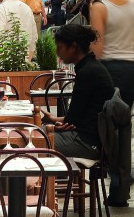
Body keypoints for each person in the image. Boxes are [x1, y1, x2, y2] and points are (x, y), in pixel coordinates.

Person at [41, 24, 116, 160]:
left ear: (74, 47)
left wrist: (55, 123)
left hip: (87, 142)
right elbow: (75, 117)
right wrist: (54, 120)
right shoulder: (91, 67)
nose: (57, 52)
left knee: (32, 141)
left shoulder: (87, 72)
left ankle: (46, 180)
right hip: (91, 137)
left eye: (60, 47)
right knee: (37, 133)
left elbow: (72, 119)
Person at [89, 0, 134, 108]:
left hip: (108, 68)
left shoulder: (99, 7)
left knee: (105, 120)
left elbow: (97, 45)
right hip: (130, 68)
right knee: (124, 118)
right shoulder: (133, 3)